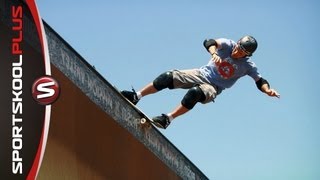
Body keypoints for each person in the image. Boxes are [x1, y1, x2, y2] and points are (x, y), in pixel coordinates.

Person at [122, 35, 280, 129]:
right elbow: (210, 41)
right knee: (167, 76)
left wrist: (267, 90)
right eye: (238, 47)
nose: (236, 51)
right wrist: (213, 52)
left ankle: (167, 119)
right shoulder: (228, 44)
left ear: (247, 55)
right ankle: (137, 96)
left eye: (241, 52)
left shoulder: (248, 66)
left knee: (196, 93)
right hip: (200, 73)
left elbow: (260, 81)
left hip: (213, 87)